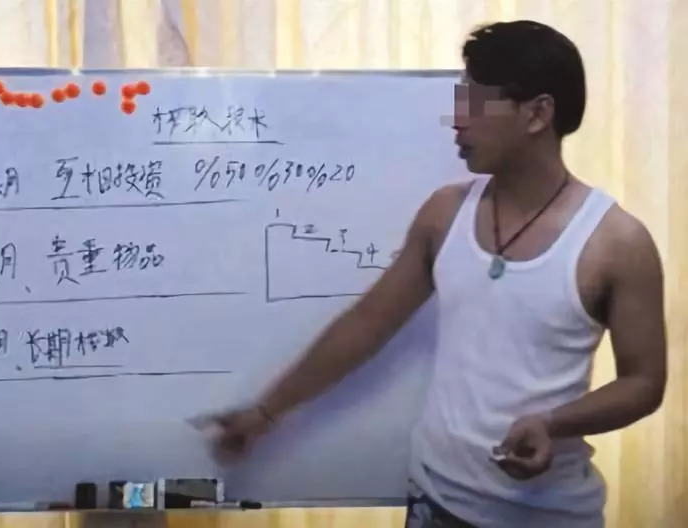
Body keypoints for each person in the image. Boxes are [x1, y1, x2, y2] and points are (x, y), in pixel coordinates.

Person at [196, 20, 667, 527]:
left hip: (549, 515)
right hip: (433, 500)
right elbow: (367, 323)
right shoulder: (445, 215)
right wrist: (265, 413)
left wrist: (554, 423)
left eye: (475, 102)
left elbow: (643, 382)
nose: (457, 120)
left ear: (537, 113)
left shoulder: (616, 242)